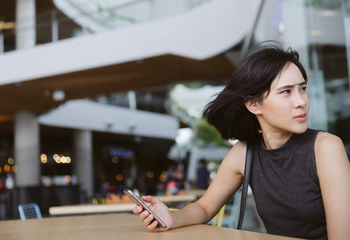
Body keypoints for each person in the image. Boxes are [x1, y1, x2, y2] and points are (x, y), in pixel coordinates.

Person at [133, 41, 350, 240]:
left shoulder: (326, 148)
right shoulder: (245, 152)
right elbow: (204, 208)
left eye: (303, 89)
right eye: (286, 92)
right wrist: (170, 218)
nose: (300, 101)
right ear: (254, 104)